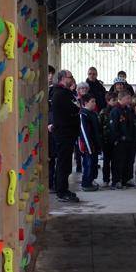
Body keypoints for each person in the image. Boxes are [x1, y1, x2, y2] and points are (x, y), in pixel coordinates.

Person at [49, 70, 80, 202]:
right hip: (63, 133)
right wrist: (76, 108)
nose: (72, 79)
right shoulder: (59, 94)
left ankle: (64, 188)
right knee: (63, 163)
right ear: (62, 79)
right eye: (69, 77)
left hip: (69, 133)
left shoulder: (67, 93)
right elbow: (74, 108)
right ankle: (61, 191)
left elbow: (76, 106)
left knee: (66, 163)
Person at [109, 91, 134, 189]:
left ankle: (125, 180)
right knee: (118, 162)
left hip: (128, 140)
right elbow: (113, 127)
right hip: (119, 141)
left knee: (127, 161)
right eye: (128, 98)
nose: (129, 100)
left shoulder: (127, 110)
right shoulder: (115, 111)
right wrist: (118, 138)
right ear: (121, 98)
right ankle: (116, 181)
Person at [78, 94, 101, 192]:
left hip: (94, 144)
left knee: (94, 163)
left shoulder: (94, 114)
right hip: (87, 145)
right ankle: (86, 183)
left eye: (95, 101)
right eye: (92, 101)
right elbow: (84, 132)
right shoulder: (83, 114)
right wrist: (88, 146)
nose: (94, 103)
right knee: (88, 163)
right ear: (86, 103)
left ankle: (91, 180)